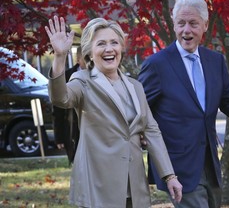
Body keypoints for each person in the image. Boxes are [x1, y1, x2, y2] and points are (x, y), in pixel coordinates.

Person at [45, 16, 182, 207]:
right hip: (98, 186)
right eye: (101, 44)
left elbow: (152, 131)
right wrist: (59, 57)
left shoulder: (135, 86)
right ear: (90, 53)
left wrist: (169, 176)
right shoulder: (82, 81)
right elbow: (60, 98)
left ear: (121, 48)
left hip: (134, 186)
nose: (109, 49)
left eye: (114, 43)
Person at [138, 0, 229, 208]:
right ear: (174, 25)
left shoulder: (215, 61)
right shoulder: (157, 65)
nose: (186, 30)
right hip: (177, 166)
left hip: (210, 162)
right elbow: (138, 108)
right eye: (181, 23)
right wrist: (141, 135)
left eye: (193, 23)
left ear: (205, 25)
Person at [52, 45, 86, 164]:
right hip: (72, 128)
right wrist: (59, 137)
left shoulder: (100, 76)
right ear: (78, 58)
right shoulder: (66, 76)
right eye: (85, 58)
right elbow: (58, 109)